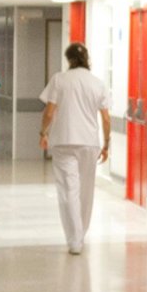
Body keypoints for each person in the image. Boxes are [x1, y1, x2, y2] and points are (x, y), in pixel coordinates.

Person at [39, 43, 111, 255]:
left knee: (68, 190)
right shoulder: (97, 83)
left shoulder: (59, 80)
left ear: (68, 59)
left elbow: (49, 112)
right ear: (87, 58)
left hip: (63, 141)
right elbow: (106, 118)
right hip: (89, 142)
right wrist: (106, 144)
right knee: (86, 190)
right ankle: (81, 233)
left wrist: (43, 132)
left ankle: (75, 240)